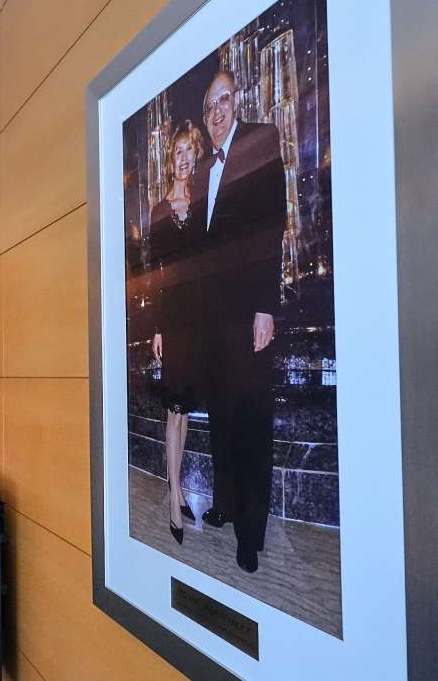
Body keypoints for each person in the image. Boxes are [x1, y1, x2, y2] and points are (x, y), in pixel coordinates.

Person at [194, 71, 287, 574]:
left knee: (251, 424)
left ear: (238, 101)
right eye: (209, 105)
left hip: (247, 312)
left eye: (223, 100)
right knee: (222, 418)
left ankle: (250, 534)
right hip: (210, 322)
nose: (216, 112)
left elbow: (272, 223)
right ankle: (226, 504)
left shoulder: (261, 140)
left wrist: (265, 308)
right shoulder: (203, 169)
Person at [147, 120, 206, 545]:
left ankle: (178, 486)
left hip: (198, 317)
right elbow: (155, 275)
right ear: (170, 159)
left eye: (189, 150)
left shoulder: (203, 197)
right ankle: (173, 502)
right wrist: (157, 328)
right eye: (177, 151)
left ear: (194, 154)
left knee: (183, 411)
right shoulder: (158, 209)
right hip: (173, 320)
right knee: (173, 412)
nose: (183, 158)